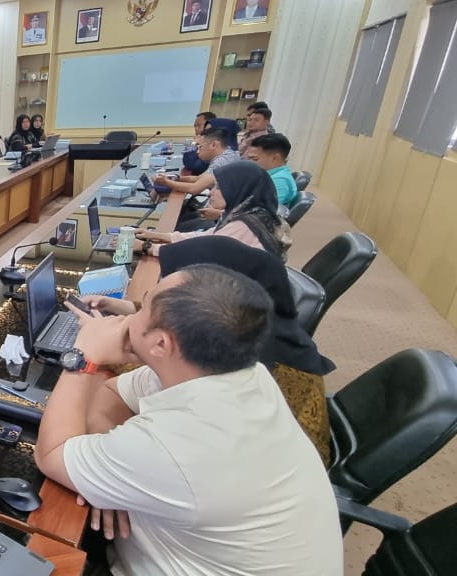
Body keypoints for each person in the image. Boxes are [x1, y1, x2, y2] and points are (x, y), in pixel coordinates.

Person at [35, 264, 343, 575]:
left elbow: (49, 453)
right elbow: (113, 392)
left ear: (161, 344)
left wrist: (83, 356)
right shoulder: (242, 373)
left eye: (144, 302)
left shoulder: (179, 445)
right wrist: (106, 474)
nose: (128, 317)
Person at [82, 236, 337, 466]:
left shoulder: (255, 359)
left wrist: (95, 344)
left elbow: (160, 363)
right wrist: (126, 310)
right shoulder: (259, 331)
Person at [139, 161, 291, 258]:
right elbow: (208, 236)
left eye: (219, 187)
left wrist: (148, 247)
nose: (211, 192)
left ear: (237, 189)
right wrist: (157, 235)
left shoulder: (244, 225)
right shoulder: (249, 212)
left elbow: (203, 250)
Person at [154, 126, 239, 197]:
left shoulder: (223, 161)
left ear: (213, 145)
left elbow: (194, 188)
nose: (197, 151)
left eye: (200, 147)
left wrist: (166, 182)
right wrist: (177, 177)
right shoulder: (227, 154)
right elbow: (198, 178)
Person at [245, 133, 300, 209]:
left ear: (275, 158)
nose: (249, 163)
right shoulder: (268, 175)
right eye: (248, 159)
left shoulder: (279, 181)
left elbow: (263, 210)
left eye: (254, 159)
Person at [181, 111, 216, 176]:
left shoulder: (212, 143)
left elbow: (194, 166)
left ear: (209, 126)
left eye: (199, 125)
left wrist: (193, 144)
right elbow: (186, 161)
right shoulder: (200, 141)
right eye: (195, 126)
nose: (196, 128)